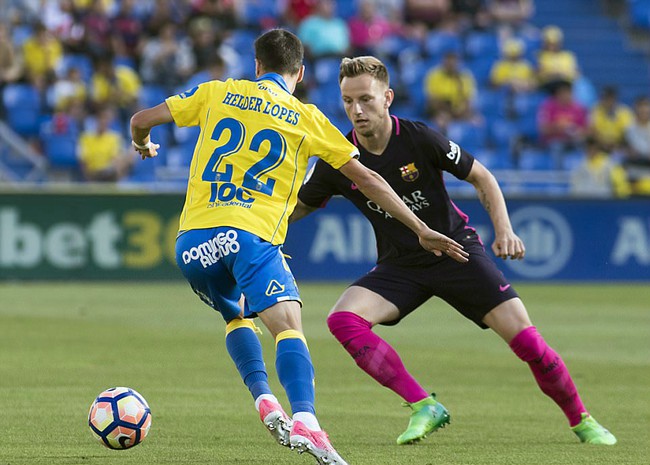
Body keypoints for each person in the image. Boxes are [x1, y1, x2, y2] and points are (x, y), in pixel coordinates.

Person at [129, 30, 468, 465]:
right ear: (301, 73)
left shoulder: (216, 93)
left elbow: (141, 119)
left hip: (192, 242)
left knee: (234, 313)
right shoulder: (305, 117)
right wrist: (420, 228)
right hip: (251, 236)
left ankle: (264, 399)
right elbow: (367, 179)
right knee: (288, 327)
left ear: (256, 66)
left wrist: (143, 145)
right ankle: (306, 420)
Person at [290, 55, 617, 446]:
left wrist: (505, 229)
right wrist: (257, 225)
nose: (356, 111)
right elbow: (302, 205)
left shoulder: (419, 138)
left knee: (528, 343)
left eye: (366, 100)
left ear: (388, 97)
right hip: (402, 265)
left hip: (456, 253)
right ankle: (422, 405)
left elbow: (483, 177)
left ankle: (582, 420)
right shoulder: (338, 158)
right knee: (343, 320)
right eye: (347, 101)